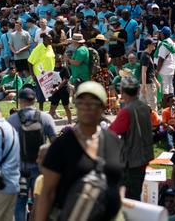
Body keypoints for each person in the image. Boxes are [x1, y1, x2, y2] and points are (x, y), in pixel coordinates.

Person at [33, 81, 123, 221]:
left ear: (103, 107)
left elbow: (118, 185)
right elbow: (47, 193)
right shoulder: (62, 145)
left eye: (93, 103)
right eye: (81, 102)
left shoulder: (113, 142)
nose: (86, 107)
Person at [7, 87, 56, 221]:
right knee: (41, 202)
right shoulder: (45, 117)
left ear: (20, 101)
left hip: (20, 169)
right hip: (41, 169)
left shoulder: (12, 120)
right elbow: (54, 142)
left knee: (20, 204)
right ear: (34, 99)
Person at [109, 78, 154, 201]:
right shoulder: (144, 107)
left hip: (132, 160)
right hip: (143, 157)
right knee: (135, 194)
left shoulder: (127, 111)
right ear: (138, 90)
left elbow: (111, 132)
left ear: (122, 92)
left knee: (128, 199)